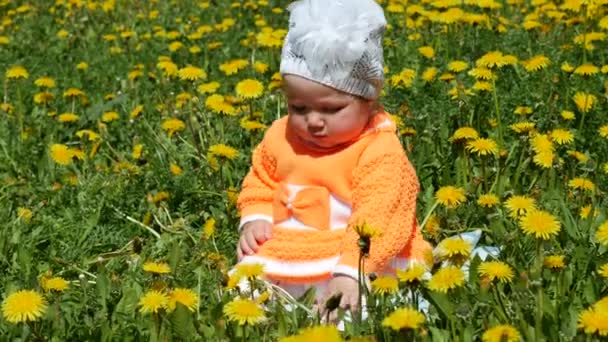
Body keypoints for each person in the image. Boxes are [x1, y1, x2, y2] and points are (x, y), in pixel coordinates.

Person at [235, 0, 432, 316]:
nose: (313, 121)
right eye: (299, 108)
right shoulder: (281, 135)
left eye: (330, 109)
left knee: (355, 309)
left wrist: (352, 270)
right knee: (242, 293)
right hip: (291, 245)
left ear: (369, 101)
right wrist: (256, 215)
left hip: (356, 254)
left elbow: (380, 215)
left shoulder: (379, 149)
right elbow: (261, 178)